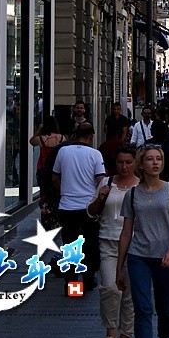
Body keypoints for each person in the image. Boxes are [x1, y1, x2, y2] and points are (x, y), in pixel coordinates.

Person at [116, 145, 169, 338]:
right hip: (139, 256)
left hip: (166, 256)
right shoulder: (133, 194)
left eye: (158, 159)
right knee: (143, 308)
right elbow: (126, 232)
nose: (155, 163)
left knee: (165, 307)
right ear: (142, 164)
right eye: (150, 159)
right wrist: (120, 266)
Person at [89, 145, 138, 338]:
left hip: (135, 245)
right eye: (120, 162)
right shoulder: (106, 182)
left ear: (135, 163)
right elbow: (90, 212)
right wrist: (100, 198)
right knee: (109, 287)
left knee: (128, 291)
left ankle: (126, 334)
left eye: (128, 162)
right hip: (108, 240)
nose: (124, 166)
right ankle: (110, 332)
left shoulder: (141, 187)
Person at [52, 123, 107, 291]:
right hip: (88, 208)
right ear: (91, 136)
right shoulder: (95, 154)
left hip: (67, 207)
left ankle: (72, 284)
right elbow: (100, 181)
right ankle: (89, 279)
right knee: (89, 245)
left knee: (69, 244)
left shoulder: (63, 151)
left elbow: (55, 177)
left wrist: (63, 193)